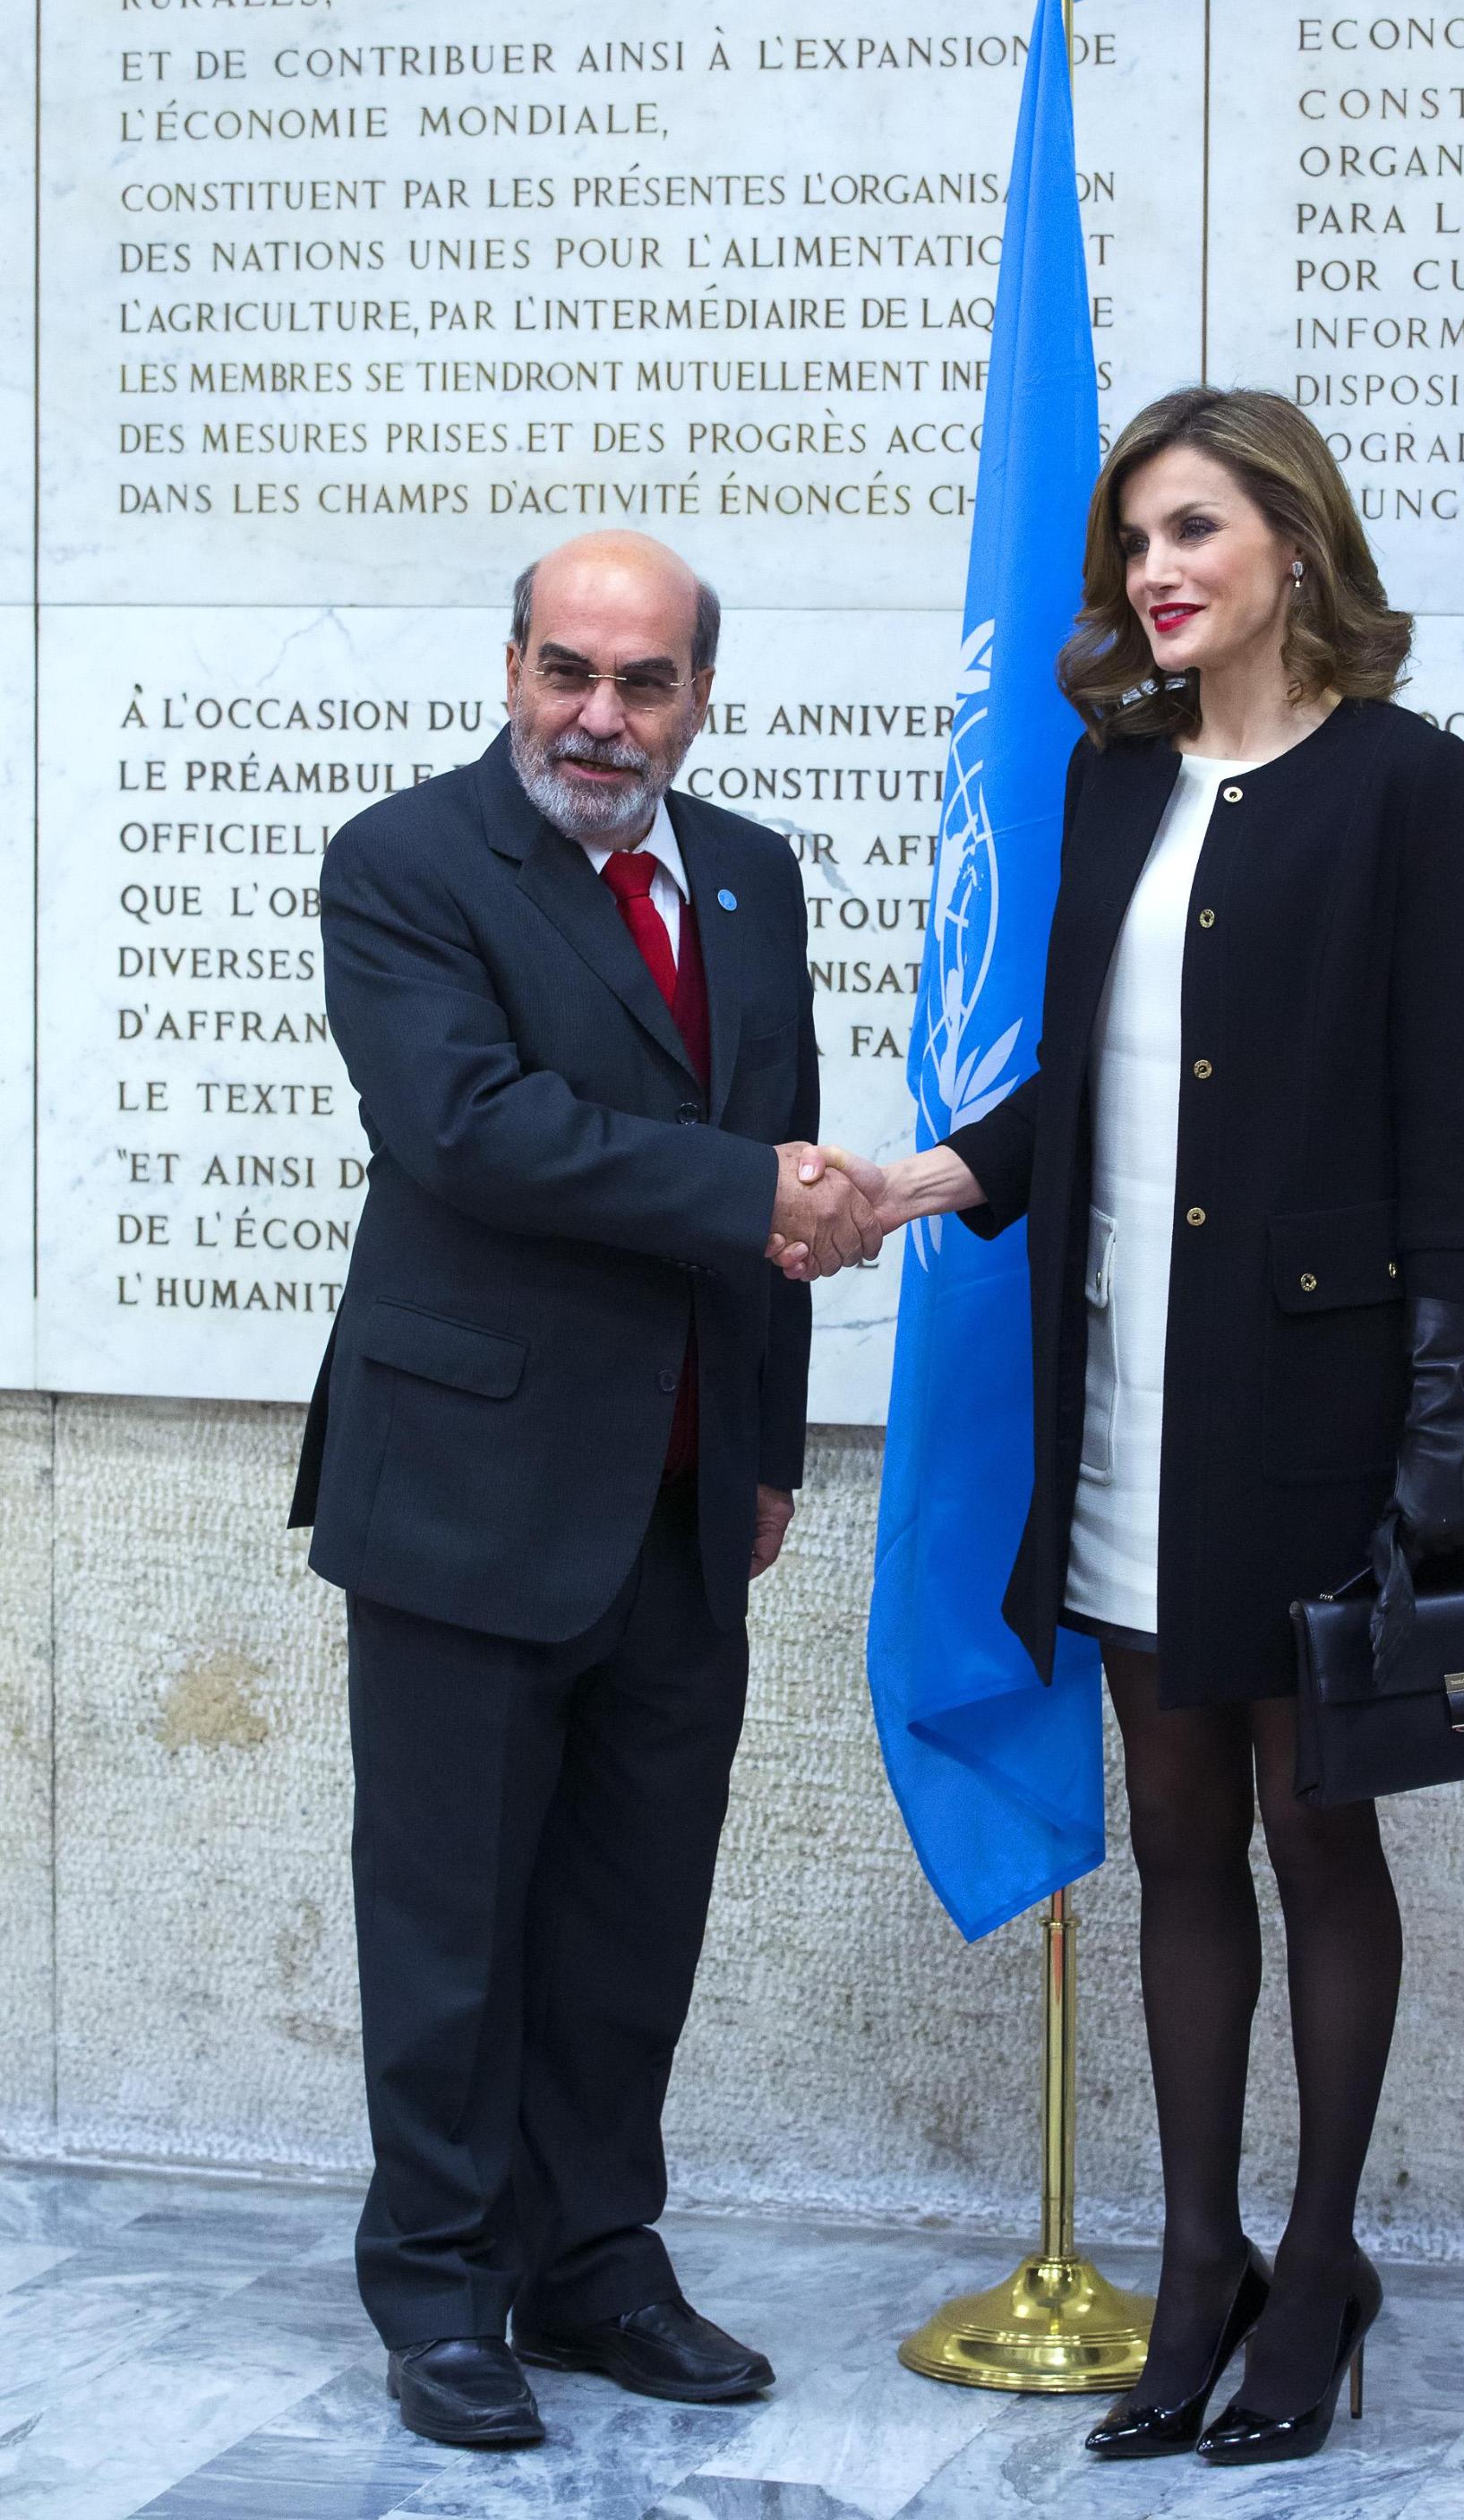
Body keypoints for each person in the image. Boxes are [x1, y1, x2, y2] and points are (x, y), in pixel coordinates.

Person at [783, 389, 1464, 2466]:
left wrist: (1433, 1419)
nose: (1152, 572)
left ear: (1294, 541)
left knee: (1311, 1828)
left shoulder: (1400, 782)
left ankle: (1319, 2260)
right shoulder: (1114, 783)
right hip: (1123, 1399)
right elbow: (1079, 1084)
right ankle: (1198, 2265)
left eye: (1192, 529)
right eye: (1131, 542)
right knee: (1175, 1830)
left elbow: (1435, 1118)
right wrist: (910, 1186)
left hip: (1308, 1403)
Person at [289, 530, 883, 2450]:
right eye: (568, 671)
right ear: (513, 669)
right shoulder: (406, 861)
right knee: (451, 1923)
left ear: (702, 697)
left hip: (685, 1501)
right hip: (468, 1489)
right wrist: (752, 1191)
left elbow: (776, 1139)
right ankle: (442, 2289)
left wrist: (768, 1449)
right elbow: (469, 1129)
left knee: (634, 1920)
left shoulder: (752, 874)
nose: (599, 718)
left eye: (643, 682)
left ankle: (596, 2264)